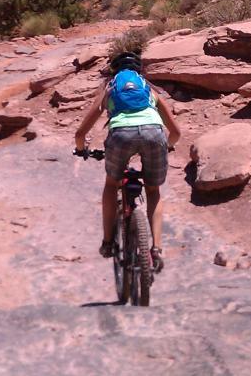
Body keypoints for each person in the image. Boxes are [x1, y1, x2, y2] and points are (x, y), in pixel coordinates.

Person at [74, 51, 181, 272]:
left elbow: (81, 132)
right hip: (154, 135)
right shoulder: (149, 90)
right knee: (153, 190)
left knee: (112, 184)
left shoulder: (110, 89)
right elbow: (176, 132)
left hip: (120, 135)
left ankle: (106, 242)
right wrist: (167, 145)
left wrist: (81, 148)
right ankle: (156, 249)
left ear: (114, 71)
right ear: (139, 71)